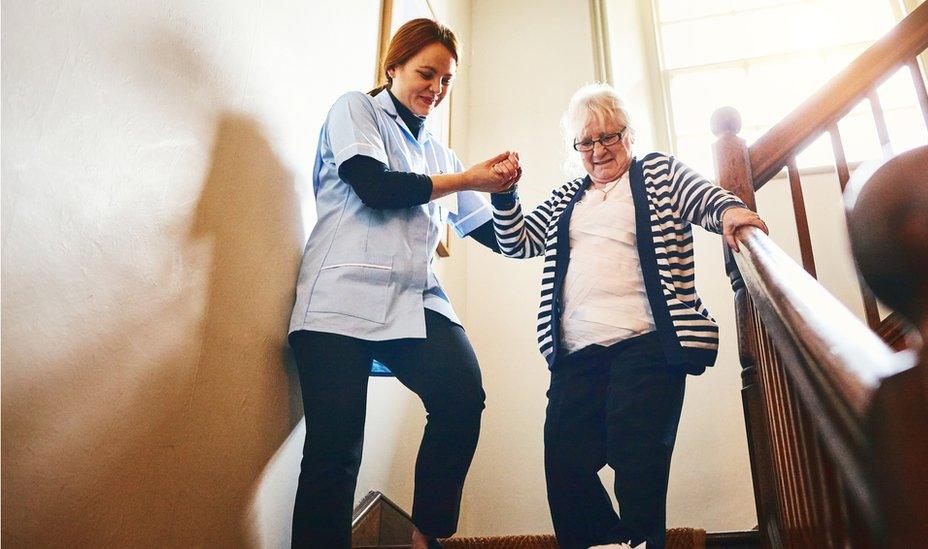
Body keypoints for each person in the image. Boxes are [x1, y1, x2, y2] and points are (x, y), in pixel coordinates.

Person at [487, 83, 767, 548]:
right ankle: (604, 543)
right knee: (563, 458)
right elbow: (519, 241)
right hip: (578, 351)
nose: (598, 150)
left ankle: (637, 540)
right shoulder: (566, 198)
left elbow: (705, 197)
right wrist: (503, 195)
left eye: (608, 137)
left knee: (635, 448)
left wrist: (733, 211)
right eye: (586, 142)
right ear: (575, 148)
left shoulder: (656, 171)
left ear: (628, 135)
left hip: (648, 342)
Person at [287, 18, 518, 549]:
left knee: (462, 395)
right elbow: (373, 185)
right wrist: (469, 179)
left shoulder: (440, 154)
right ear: (393, 66)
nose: (435, 90)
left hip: (414, 300)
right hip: (337, 304)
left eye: (446, 81)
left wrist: (504, 191)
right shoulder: (356, 109)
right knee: (336, 450)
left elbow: (501, 239)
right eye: (426, 74)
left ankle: (426, 536)